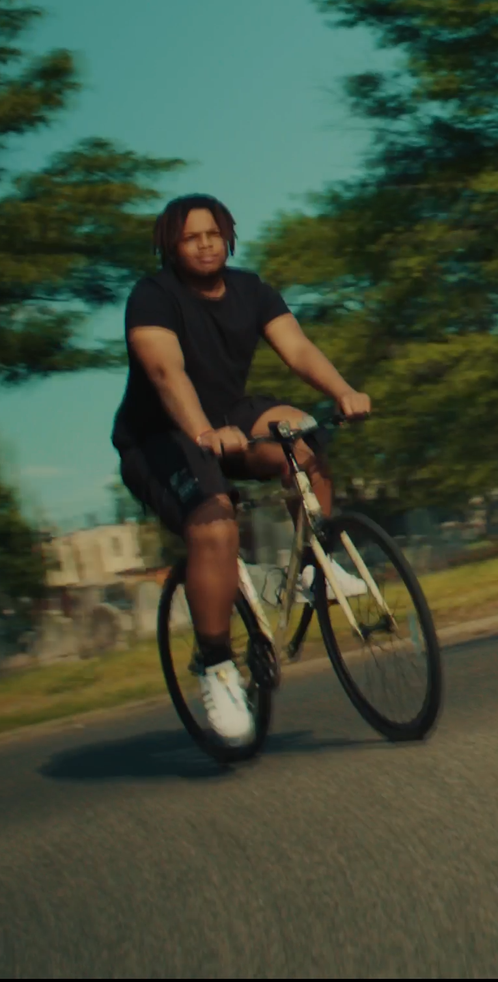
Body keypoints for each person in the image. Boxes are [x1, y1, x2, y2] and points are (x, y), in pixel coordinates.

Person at [113, 194, 374, 745]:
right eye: (190, 237)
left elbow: (297, 349)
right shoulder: (152, 297)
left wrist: (344, 390)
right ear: (170, 245)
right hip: (159, 436)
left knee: (302, 437)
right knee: (215, 522)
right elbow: (166, 373)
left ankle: (310, 568)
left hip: (229, 416)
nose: (205, 244)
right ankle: (215, 667)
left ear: (228, 236)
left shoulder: (251, 289)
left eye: (213, 233)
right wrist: (203, 433)